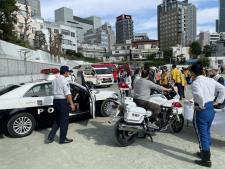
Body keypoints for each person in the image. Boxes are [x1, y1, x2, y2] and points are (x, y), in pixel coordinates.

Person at [190, 63, 225, 167]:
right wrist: (218, 101)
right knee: (206, 131)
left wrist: (200, 106)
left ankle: (206, 159)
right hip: (210, 107)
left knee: (202, 134)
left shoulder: (196, 82)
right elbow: (223, 89)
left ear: (193, 72)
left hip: (203, 109)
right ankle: (205, 152)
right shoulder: (210, 80)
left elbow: (199, 96)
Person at [47, 66, 77, 144]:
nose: (69, 73)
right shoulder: (64, 81)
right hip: (62, 102)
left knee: (57, 120)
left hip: (55, 101)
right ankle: (62, 139)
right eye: (68, 72)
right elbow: (68, 94)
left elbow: (52, 91)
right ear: (66, 72)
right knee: (64, 122)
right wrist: (72, 104)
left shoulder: (54, 80)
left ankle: (51, 136)